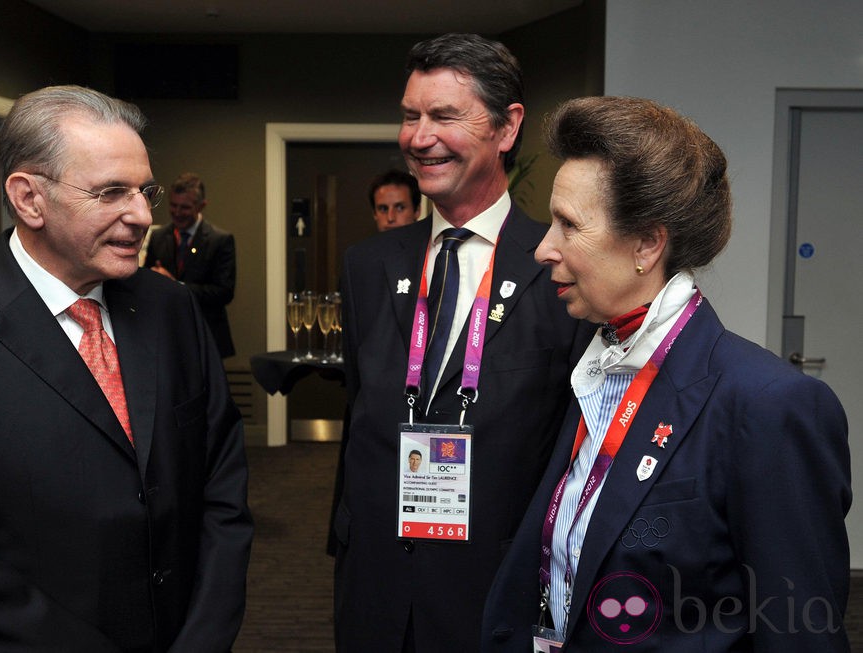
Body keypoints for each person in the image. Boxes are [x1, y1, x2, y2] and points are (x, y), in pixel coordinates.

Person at [0, 85, 253, 652]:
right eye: (111, 193)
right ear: (29, 199)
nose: (140, 216)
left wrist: (203, 638)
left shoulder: (170, 308)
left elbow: (222, 491)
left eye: (143, 191)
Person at [482, 96, 851, 652]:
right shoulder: (595, 365)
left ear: (647, 244)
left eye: (568, 225)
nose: (542, 248)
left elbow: (800, 632)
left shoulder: (768, 403)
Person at [334, 33, 592, 652]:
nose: (419, 138)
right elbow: (360, 416)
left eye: (444, 116)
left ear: (507, 128)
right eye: (410, 116)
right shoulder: (367, 266)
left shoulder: (558, 269)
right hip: (374, 584)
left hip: (494, 588)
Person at [144, 172, 236, 358]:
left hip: (207, 335)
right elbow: (146, 281)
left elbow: (224, 292)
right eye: (173, 205)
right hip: (167, 336)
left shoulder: (221, 240)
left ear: (201, 206)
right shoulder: (158, 236)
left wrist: (176, 286)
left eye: (184, 207)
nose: (177, 213)